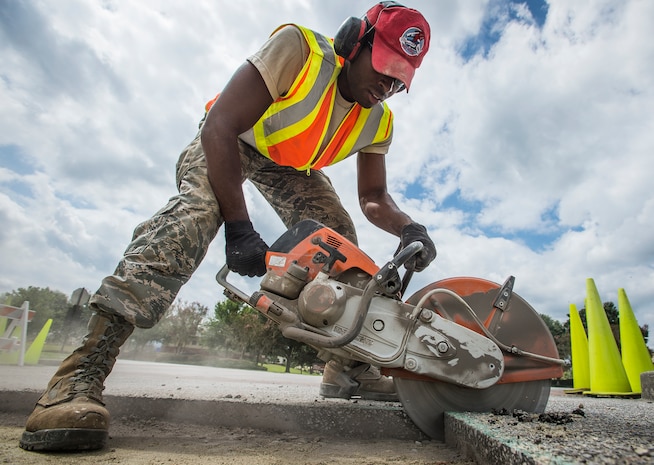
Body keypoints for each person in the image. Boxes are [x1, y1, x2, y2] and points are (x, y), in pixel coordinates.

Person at [20, 1, 436, 452]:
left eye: (401, 78)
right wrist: (238, 227)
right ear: (355, 41)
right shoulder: (299, 50)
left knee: (340, 245)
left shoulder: (380, 120)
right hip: (230, 137)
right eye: (384, 67)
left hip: (290, 166)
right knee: (194, 217)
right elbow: (220, 124)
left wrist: (409, 228)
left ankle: (347, 367)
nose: (388, 85)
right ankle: (78, 376)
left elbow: (373, 198)